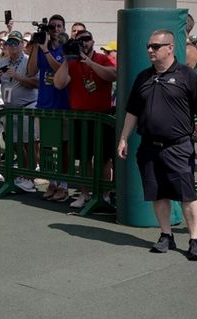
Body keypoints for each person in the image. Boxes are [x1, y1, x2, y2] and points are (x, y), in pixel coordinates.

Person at [117, 29, 197, 261]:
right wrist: (123, 138)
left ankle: (194, 239)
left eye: (155, 46)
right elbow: (132, 111)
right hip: (149, 147)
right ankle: (166, 235)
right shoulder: (143, 77)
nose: (150, 50)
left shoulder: (186, 75)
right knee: (157, 193)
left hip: (178, 146)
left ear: (170, 48)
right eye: (148, 46)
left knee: (186, 194)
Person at [53, 28, 117, 208]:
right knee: (84, 158)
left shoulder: (103, 59)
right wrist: (66, 59)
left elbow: (113, 75)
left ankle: (104, 193)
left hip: (102, 117)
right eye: (80, 40)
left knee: (104, 159)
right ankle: (85, 194)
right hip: (80, 118)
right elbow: (59, 84)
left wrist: (89, 62)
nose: (84, 43)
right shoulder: (72, 63)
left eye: (87, 39)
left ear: (93, 41)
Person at [0, 30, 39, 192]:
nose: (12, 46)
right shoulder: (2, 62)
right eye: (10, 43)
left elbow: (36, 83)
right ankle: (23, 175)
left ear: (22, 45)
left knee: (29, 144)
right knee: (15, 143)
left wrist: (17, 77)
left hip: (27, 107)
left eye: (16, 43)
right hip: (9, 110)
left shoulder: (28, 61)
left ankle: (30, 178)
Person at [26, 14, 70, 201]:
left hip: (63, 105)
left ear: (63, 28)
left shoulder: (66, 47)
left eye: (59, 26)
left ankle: (64, 185)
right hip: (44, 104)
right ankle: (52, 182)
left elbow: (61, 68)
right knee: (47, 147)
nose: (55, 29)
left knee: (64, 147)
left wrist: (45, 51)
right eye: (52, 26)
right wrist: (37, 46)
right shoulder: (42, 46)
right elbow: (31, 71)